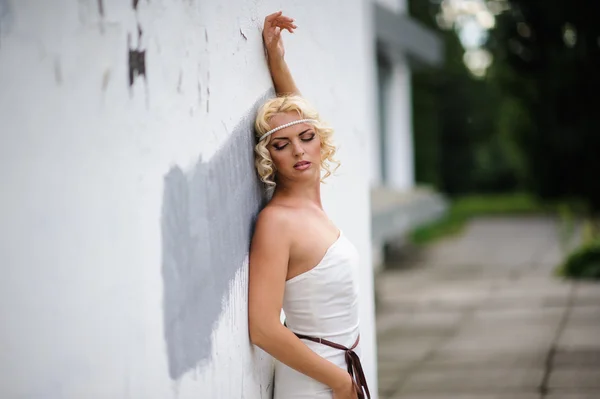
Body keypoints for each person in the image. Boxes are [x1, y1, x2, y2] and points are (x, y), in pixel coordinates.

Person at [247, 11, 371, 399]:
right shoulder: (276, 222)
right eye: (282, 146)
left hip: (345, 371)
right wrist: (338, 382)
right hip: (314, 385)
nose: (299, 150)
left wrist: (276, 58)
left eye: (307, 137)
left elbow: (298, 117)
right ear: (270, 158)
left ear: (320, 141)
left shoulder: (311, 207)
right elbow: (263, 327)